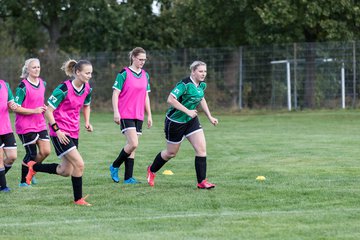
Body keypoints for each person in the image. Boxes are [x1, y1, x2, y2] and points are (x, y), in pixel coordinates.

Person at [25, 59, 93, 206]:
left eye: (91, 73)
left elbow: (86, 105)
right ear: (77, 72)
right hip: (60, 133)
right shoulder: (63, 88)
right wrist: (58, 130)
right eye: (87, 73)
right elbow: (48, 111)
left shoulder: (87, 89)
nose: (89, 76)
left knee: (65, 171)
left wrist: (87, 121)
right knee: (79, 164)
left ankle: (34, 166)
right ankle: (78, 199)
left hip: (74, 132)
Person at [146, 61, 218, 189]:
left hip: (191, 121)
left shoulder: (202, 85)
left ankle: (202, 182)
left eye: (205, 71)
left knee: (201, 149)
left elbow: (201, 98)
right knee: (171, 153)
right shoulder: (184, 85)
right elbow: (170, 99)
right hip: (175, 122)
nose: (203, 74)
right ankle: (151, 170)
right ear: (193, 71)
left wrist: (210, 117)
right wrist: (187, 111)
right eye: (200, 71)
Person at [109, 47, 152, 184]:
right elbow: (115, 93)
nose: (142, 62)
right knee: (133, 143)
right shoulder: (124, 73)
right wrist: (116, 111)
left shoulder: (145, 75)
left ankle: (128, 178)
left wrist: (149, 115)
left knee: (132, 146)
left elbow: (146, 96)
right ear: (133, 57)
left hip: (138, 114)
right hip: (125, 113)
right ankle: (115, 165)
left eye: (144, 60)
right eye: (140, 59)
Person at [13, 58, 51, 187]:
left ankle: (32, 170)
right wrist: (34, 110)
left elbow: (39, 101)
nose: (36, 69)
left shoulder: (43, 83)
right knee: (31, 153)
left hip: (40, 123)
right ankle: (23, 181)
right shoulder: (22, 86)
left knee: (46, 151)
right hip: (25, 125)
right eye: (33, 67)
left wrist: (43, 107)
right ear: (27, 69)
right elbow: (16, 108)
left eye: (38, 67)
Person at [0, 79, 18, 192]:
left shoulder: (5, 84)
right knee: (0, 158)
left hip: (6, 128)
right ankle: (3, 186)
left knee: (12, 157)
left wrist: (13, 105)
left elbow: (11, 102)